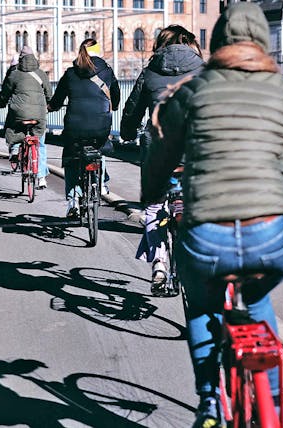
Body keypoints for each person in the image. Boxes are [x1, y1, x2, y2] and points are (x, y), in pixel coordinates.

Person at [142, 3, 283, 427]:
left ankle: (208, 402)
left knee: (202, 306)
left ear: (217, 42)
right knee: (256, 297)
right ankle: (275, 396)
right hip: (272, 234)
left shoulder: (190, 91)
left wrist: (149, 199)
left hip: (207, 233)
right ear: (262, 41)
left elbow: (160, 159)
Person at [120, 25, 204, 295]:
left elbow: (133, 109)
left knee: (155, 206)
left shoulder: (151, 71)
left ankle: (159, 266)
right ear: (190, 44)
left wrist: (127, 131)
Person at [48, 39, 120, 217]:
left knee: (72, 157)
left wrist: (51, 107)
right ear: (98, 52)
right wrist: (114, 105)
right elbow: (116, 97)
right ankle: (101, 183)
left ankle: (73, 199)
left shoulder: (71, 73)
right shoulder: (107, 72)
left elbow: (57, 99)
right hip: (101, 125)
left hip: (75, 126)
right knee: (99, 148)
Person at [0, 45, 52, 189]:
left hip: (19, 115)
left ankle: (14, 149)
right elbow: (50, 94)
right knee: (41, 143)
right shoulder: (41, 74)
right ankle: (42, 177)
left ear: (21, 59)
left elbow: (5, 94)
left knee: (12, 124)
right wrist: (50, 105)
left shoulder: (14, 74)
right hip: (39, 116)